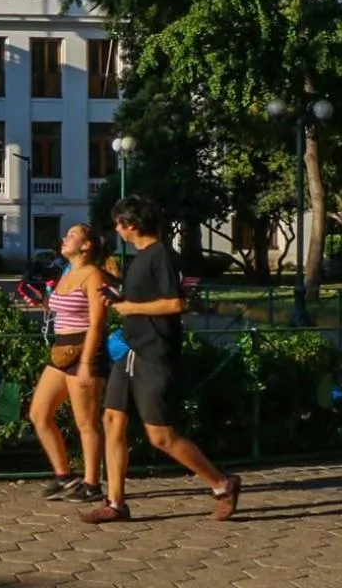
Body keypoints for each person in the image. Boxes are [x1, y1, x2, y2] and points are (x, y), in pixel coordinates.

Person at [82, 195, 241, 523]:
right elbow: (146, 297)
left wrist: (130, 307)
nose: (116, 228)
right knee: (112, 421)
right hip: (129, 351)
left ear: (132, 225)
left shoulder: (163, 257)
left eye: (119, 222)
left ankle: (222, 484)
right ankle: (116, 503)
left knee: (160, 436)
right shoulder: (139, 258)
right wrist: (120, 298)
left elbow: (177, 304)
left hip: (155, 353)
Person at [30, 224, 112, 504]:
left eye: (73, 235)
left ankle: (92, 484)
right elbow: (62, 311)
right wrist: (41, 301)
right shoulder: (67, 273)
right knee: (39, 414)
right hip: (61, 350)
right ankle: (64, 477)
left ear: (87, 245)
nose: (65, 238)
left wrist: (88, 362)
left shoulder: (93, 275)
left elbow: (97, 322)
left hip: (84, 350)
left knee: (86, 423)